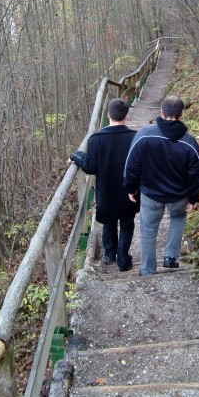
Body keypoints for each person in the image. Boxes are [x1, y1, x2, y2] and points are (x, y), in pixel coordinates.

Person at [124, 95, 199, 276]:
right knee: (177, 218)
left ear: (161, 111)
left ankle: (147, 269)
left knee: (148, 230)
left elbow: (131, 166)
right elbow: (195, 174)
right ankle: (170, 257)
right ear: (182, 114)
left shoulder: (144, 135)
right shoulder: (189, 142)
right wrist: (194, 197)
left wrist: (130, 188)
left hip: (151, 194)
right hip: (178, 195)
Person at [69, 98, 140, 272]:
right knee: (127, 222)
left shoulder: (96, 139)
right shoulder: (135, 137)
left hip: (107, 192)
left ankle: (110, 254)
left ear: (108, 115)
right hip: (128, 190)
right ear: (126, 116)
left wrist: (76, 156)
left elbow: (90, 167)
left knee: (108, 221)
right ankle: (123, 257)